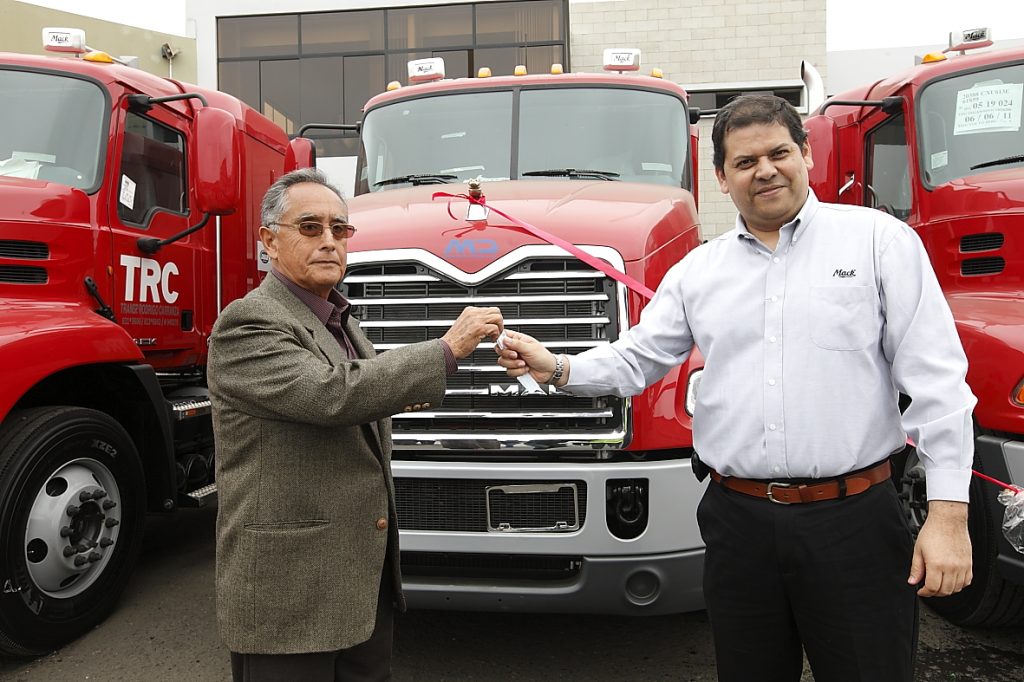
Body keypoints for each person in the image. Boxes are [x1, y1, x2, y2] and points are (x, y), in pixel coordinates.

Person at [496, 94, 976, 682]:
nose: (765, 170)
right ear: (722, 178)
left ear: (806, 154)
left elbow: (937, 381)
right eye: (745, 162)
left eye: (779, 153)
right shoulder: (698, 272)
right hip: (738, 525)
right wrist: (559, 368)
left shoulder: (879, 243)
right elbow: (639, 358)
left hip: (855, 523)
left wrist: (949, 516)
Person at [208, 167, 502, 682]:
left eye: (339, 229)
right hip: (289, 593)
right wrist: (445, 351)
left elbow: (361, 391)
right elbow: (333, 394)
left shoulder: (337, 319)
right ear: (268, 242)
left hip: (357, 584)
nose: (329, 241)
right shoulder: (248, 322)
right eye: (310, 227)